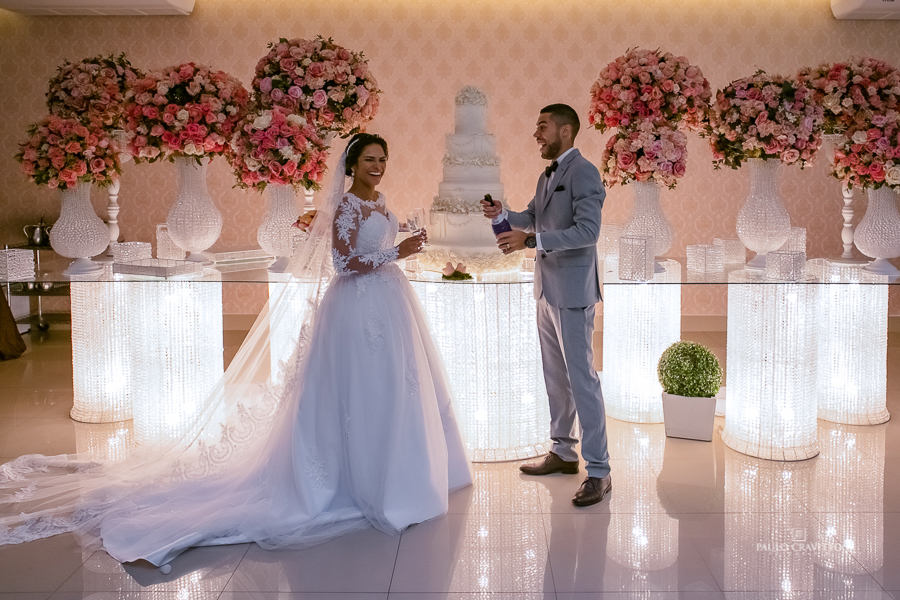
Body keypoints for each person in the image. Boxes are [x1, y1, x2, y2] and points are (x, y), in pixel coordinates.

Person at [0, 133, 472, 567]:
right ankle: (357, 481)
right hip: (356, 306)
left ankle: (403, 474)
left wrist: (402, 243)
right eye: (370, 159)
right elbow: (344, 262)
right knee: (360, 391)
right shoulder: (346, 206)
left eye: (383, 159)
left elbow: (377, 246)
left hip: (389, 302)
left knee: (395, 386)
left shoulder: (381, 201)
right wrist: (399, 252)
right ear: (351, 163)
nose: (379, 165)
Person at [481, 104, 611, 507]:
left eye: (542, 126)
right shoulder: (546, 175)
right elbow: (531, 217)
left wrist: (532, 241)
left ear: (566, 131)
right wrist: (502, 214)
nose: (536, 134)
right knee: (556, 378)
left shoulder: (585, 172)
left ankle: (600, 471)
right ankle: (563, 452)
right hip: (546, 290)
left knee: (582, 380)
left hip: (573, 292)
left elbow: (587, 232)